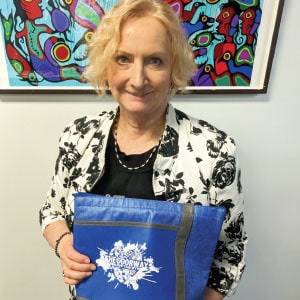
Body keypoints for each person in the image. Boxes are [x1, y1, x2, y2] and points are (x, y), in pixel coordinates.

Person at [39, 0, 247, 299]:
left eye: (155, 61)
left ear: (173, 67)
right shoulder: (77, 136)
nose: (137, 79)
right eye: (123, 58)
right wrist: (64, 246)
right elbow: (52, 209)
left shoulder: (215, 152)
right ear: (106, 64)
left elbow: (231, 251)